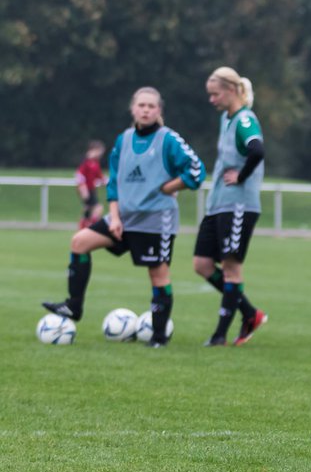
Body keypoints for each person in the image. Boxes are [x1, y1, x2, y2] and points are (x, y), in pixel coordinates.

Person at [42, 87, 205, 346]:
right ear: (133, 108)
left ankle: (159, 337)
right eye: (141, 105)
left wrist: (168, 188)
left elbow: (196, 172)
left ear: (159, 111)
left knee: (158, 275)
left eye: (151, 106)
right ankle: (74, 307)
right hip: (123, 217)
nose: (146, 110)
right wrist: (114, 217)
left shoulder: (168, 139)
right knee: (79, 243)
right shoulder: (124, 139)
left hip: (155, 218)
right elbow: (114, 182)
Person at [192, 66, 269, 346]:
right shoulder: (226, 119)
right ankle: (250, 312)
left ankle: (220, 335)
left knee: (231, 268)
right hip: (218, 205)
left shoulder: (245, 119)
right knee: (201, 264)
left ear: (232, 90)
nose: (211, 100)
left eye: (215, 94)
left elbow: (257, 149)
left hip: (239, 205)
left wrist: (242, 175)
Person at [75, 140, 107, 229]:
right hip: (87, 190)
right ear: (93, 151)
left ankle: (84, 226)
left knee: (89, 209)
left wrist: (105, 182)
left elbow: (99, 176)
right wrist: (82, 187)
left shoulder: (95, 163)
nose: (100, 154)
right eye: (99, 151)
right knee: (98, 208)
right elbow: (79, 175)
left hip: (92, 190)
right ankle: (91, 226)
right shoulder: (85, 162)